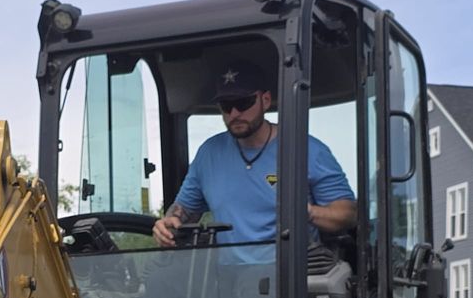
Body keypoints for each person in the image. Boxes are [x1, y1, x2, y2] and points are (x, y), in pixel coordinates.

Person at [153, 61, 357, 256]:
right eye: (226, 106)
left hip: (291, 273)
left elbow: (348, 214)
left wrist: (309, 213)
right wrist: (169, 224)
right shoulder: (208, 154)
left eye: (243, 103)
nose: (234, 113)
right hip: (228, 274)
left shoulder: (307, 149)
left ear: (265, 100)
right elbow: (184, 209)